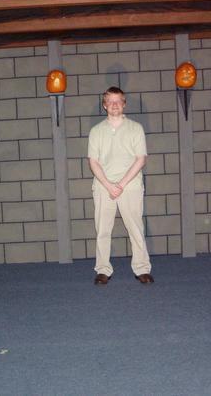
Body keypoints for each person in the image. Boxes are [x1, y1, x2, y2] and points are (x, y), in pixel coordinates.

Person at [87, 86, 153, 285]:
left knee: (136, 229)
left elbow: (141, 159)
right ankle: (103, 270)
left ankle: (142, 268)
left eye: (118, 101)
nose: (114, 105)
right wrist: (109, 186)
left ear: (124, 104)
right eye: (110, 101)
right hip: (103, 187)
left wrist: (121, 185)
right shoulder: (96, 131)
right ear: (104, 105)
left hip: (130, 187)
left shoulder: (136, 128)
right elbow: (93, 162)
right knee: (103, 230)